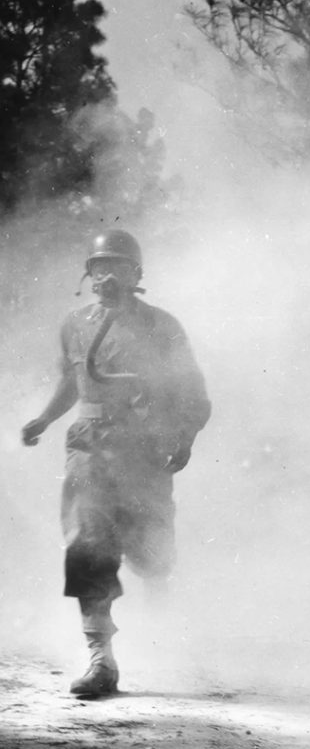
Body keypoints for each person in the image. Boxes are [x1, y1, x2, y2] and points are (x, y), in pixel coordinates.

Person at [22, 230, 211, 698]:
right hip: (89, 447)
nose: (107, 275)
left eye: (119, 266)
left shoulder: (162, 325)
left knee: (150, 550)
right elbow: (72, 380)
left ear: (136, 273)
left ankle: (166, 634)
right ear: (88, 273)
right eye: (99, 265)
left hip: (144, 448)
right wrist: (44, 419)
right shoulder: (75, 324)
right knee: (88, 545)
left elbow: (192, 391)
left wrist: (184, 438)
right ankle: (101, 660)